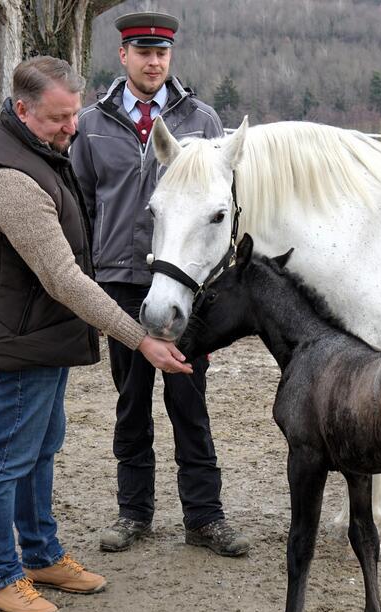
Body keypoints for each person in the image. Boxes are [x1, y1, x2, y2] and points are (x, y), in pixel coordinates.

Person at [0, 55, 193, 612]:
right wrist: (140, 339)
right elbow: (62, 278)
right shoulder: (7, 177)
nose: (72, 128)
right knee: (7, 456)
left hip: (39, 328)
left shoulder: (34, 146)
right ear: (23, 108)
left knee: (41, 444)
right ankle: (1, 576)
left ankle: (41, 553)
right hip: (19, 332)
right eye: (59, 117)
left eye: (75, 114)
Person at [70, 11, 251, 558]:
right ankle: (134, 513)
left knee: (189, 400)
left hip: (187, 285)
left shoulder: (203, 118)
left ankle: (205, 517)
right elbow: (79, 203)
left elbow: (223, 203)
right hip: (122, 282)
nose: (153, 62)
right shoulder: (92, 124)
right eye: (143, 52)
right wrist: (87, 274)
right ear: (122, 56)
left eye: (162, 53)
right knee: (131, 402)